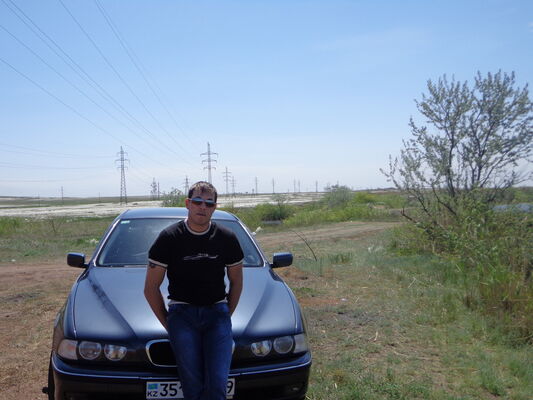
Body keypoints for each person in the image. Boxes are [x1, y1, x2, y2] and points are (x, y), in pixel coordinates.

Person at [144, 181, 244, 400]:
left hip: (217, 314)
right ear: (188, 203)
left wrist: (226, 315)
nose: (203, 207)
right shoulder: (169, 238)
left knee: (217, 385)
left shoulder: (227, 238)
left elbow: (236, 282)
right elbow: (150, 288)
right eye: (198, 201)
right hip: (182, 315)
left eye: (209, 203)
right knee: (193, 387)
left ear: (214, 207)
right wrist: (170, 324)